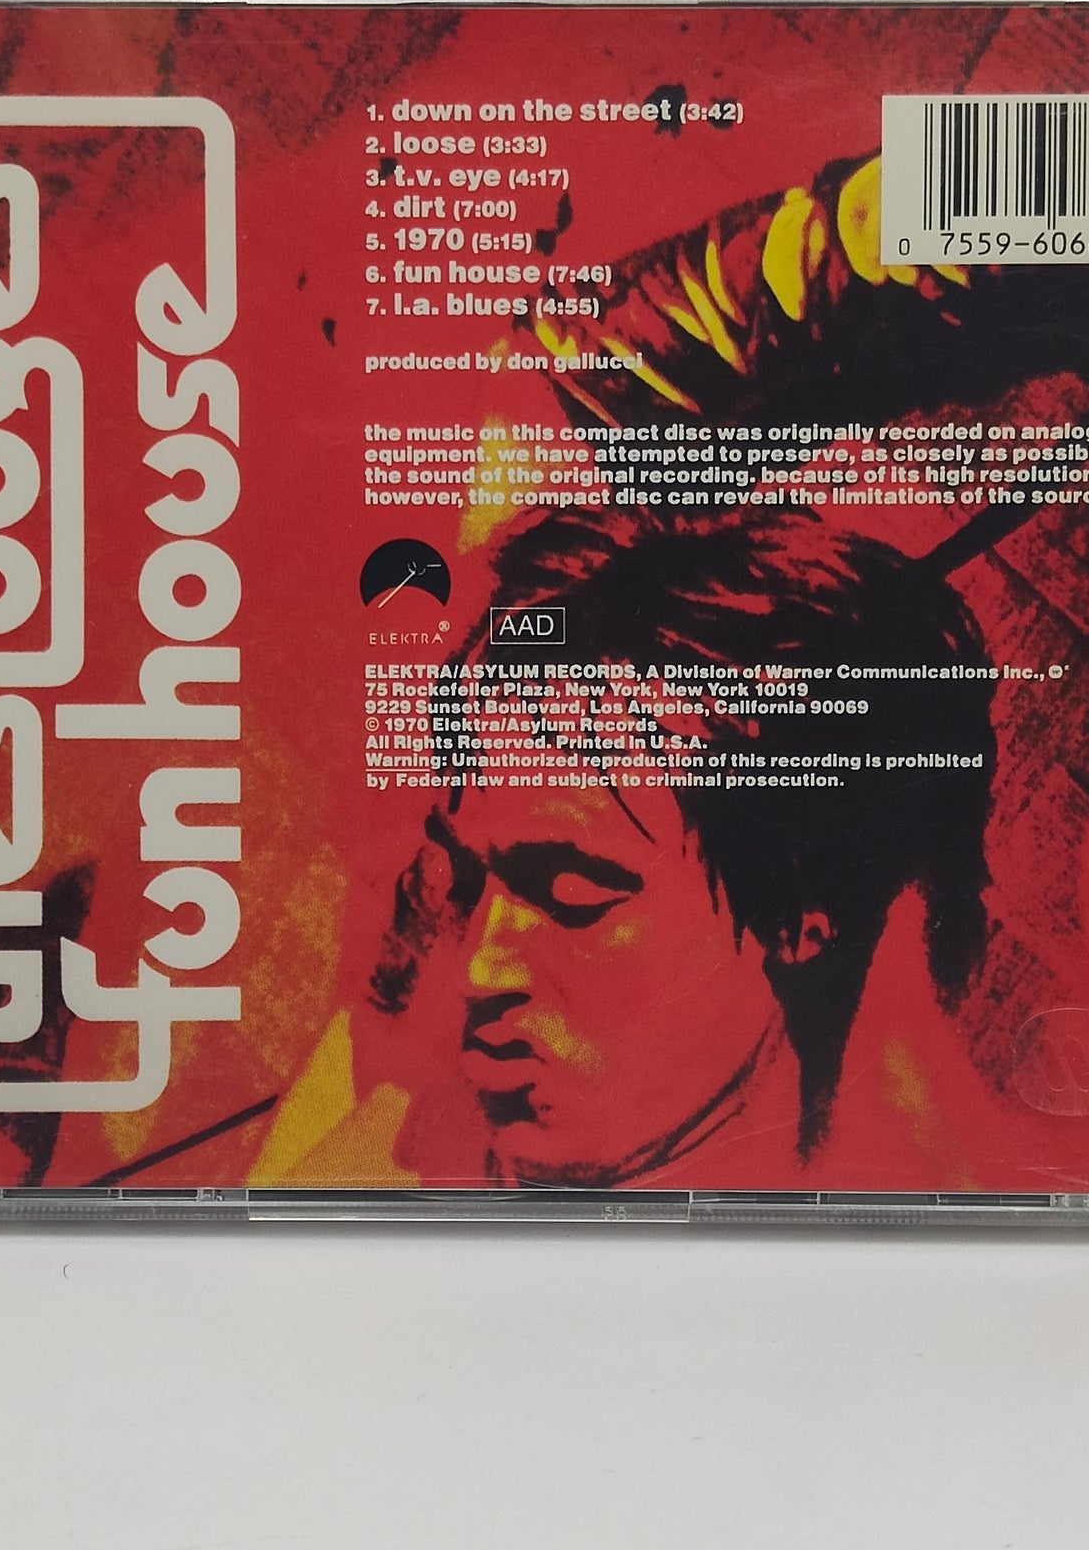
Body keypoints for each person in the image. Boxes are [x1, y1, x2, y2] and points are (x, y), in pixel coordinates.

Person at [351, 503, 999, 1190]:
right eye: (462, 880)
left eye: (573, 894)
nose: (478, 971)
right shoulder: (374, 1157)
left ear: (799, 918)